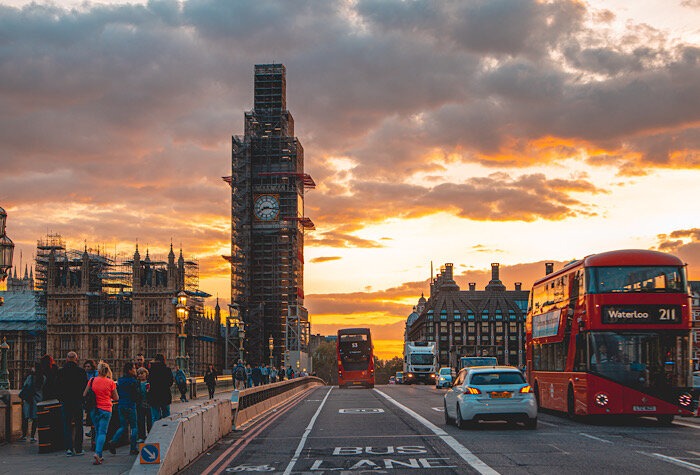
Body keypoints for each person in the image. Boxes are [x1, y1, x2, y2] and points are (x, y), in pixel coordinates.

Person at [84, 361, 118, 465]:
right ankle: (98, 453)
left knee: (98, 431)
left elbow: (84, 394)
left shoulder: (92, 380)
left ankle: (100, 455)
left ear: (98, 371)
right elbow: (116, 397)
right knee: (102, 433)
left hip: (94, 409)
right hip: (106, 409)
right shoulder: (110, 382)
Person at [57, 351, 88, 456]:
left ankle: (69, 449)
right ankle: (78, 449)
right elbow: (85, 387)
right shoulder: (81, 371)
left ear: (66, 359)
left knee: (67, 425)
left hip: (65, 401)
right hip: (78, 401)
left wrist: (61, 398)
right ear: (76, 359)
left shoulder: (61, 372)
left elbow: (57, 387)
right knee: (79, 425)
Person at [107, 362, 139, 456]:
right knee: (134, 427)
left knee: (123, 426)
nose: (135, 370)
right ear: (129, 370)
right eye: (133, 368)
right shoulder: (133, 381)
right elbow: (136, 394)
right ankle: (133, 448)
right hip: (131, 405)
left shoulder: (120, 380)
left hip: (121, 405)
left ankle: (113, 442)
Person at [19, 363, 43, 442]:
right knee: (35, 419)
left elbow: (25, 385)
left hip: (29, 400)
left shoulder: (30, 377)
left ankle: (24, 435)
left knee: (26, 417)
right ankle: (32, 436)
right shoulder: (43, 377)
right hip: (38, 400)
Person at [147, 354, 173, 424]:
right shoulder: (167, 370)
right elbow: (170, 382)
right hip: (165, 395)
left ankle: (155, 433)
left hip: (154, 396)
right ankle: (166, 432)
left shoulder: (151, 370)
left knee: (155, 417)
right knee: (166, 416)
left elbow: (149, 382)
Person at [82, 359, 98, 443]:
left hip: (93, 398)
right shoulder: (84, 374)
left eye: (88, 366)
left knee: (92, 415)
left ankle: (93, 432)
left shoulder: (95, 374)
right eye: (85, 366)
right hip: (87, 398)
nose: (87, 368)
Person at [135, 367, 151, 442]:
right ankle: (141, 436)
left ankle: (150, 434)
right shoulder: (137, 383)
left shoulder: (149, 382)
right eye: (139, 374)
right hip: (140, 404)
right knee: (140, 421)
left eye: (142, 373)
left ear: (146, 374)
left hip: (149, 404)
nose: (141, 375)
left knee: (149, 420)